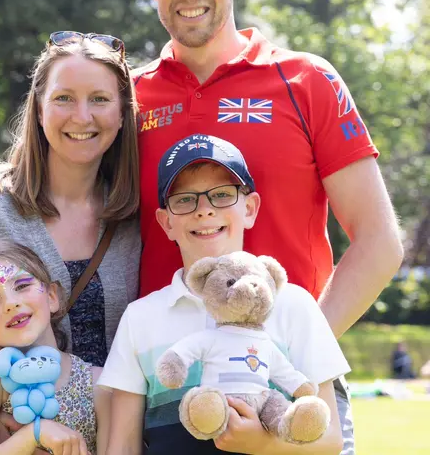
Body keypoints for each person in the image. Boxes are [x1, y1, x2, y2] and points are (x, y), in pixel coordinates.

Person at [0, 0, 403, 453]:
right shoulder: (132, 98)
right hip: (162, 397)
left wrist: (284, 357)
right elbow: (68, 149)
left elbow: (380, 243)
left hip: (286, 391)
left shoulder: (306, 81)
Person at [0, 32, 141, 448]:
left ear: (123, 113)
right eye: (64, 98)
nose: (82, 116)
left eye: (100, 99)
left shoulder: (135, 218)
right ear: (38, 109)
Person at [100, 133, 348, 455]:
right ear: (166, 223)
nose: (204, 210)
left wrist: (262, 443)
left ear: (250, 208)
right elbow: (123, 445)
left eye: (221, 194)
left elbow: (330, 441)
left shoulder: (294, 305)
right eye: (185, 199)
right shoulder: (140, 317)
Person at [0, 235, 109, 454]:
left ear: (52, 296)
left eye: (22, 285)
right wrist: (34, 435)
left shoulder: (98, 383)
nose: (11, 303)